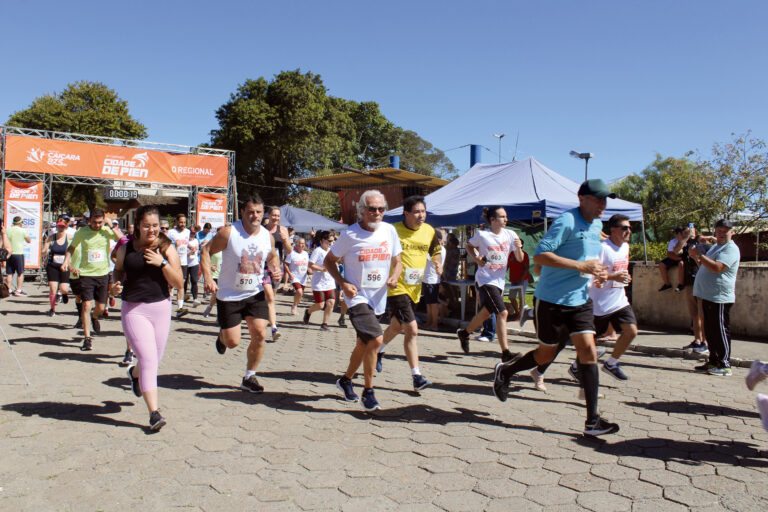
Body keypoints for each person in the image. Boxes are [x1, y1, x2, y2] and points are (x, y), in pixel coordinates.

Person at [493, 179, 620, 437]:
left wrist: (597, 271)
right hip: (551, 301)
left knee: (589, 352)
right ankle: (506, 371)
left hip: (580, 301)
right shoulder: (567, 221)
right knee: (546, 353)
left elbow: (588, 257)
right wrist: (580, 267)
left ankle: (592, 421)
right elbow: (540, 255)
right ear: (582, 198)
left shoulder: (597, 225)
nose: (602, 205)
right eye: (598, 199)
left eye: (605, 200)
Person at [324, 190, 402, 411]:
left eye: (380, 209)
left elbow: (398, 261)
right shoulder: (350, 234)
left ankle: (346, 380)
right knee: (376, 340)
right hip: (356, 297)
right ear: (361, 211)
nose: (376, 213)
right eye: (371, 209)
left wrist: (395, 276)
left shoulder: (390, 231)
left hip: (378, 297)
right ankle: (369, 392)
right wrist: (342, 282)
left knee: (364, 343)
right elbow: (329, 261)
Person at [201, 195, 283, 393]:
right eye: (251, 212)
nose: (255, 216)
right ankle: (222, 337)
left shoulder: (267, 236)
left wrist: (276, 268)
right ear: (243, 213)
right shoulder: (229, 233)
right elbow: (206, 251)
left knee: (260, 334)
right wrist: (209, 279)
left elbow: (272, 257)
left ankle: (249, 377)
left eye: (259, 212)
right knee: (233, 342)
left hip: (254, 293)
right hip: (229, 295)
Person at [113, 205, 184, 431]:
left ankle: (134, 375)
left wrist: (161, 263)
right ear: (137, 226)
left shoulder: (165, 248)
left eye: (155, 226)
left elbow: (179, 283)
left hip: (161, 308)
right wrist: (114, 284)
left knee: (152, 360)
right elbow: (117, 271)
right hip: (134, 310)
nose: (151, 230)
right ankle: (154, 413)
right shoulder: (127, 248)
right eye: (146, 226)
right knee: (149, 361)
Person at [376, 196, 441, 390]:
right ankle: (417, 376)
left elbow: (435, 250)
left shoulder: (429, 231)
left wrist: (438, 262)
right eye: (417, 212)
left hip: (415, 288)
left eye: (423, 211)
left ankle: (378, 351)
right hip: (396, 286)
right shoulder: (392, 230)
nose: (421, 216)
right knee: (412, 329)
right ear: (406, 213)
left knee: (396, 326)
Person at [456, 207, 523, 361]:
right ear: (492, 219)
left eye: (506, 216)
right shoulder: (482, 235)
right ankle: (506, 353)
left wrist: (519, 247)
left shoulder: (511, 234)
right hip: (485, 279)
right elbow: (469, 246)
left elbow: (519, 258)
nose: (506, 219)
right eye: (502, 217)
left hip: (499, 280)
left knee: (486, 312)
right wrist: (477, 258)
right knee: (503, 312)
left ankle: (464, 333)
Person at [62, 209, 122, 350]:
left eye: (100, 222)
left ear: (103, 220)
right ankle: (87, 338)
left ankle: (95, 317)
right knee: (86, 305)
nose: (97, 225)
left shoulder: (106, 230)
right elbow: (71, 247)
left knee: (100, 308)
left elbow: (122, 239)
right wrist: (66, 260)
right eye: (94, 222)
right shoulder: (82, 232)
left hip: (103, 274)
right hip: (86, 274)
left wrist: (111, 225)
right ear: (89, 221)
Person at [586, 214, 638, 381]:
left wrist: (625, 278)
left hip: (619, 300)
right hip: (599, 304)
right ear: (613, 230)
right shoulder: (602, 248)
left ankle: (612, 363)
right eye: (624, 228)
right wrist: (613, 277)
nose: (628, 231)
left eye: (629, 228)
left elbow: (621, 270)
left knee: (631, 331)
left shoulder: (625, 247)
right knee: (588, 342)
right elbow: (594, 273)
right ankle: (576, 367)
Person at [690, 219, 741, 376]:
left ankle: (724, 364)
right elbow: (704, 266)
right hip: (707, 295)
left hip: (720, 297)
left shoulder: (731, 249)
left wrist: (700, 255)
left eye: (725, 230)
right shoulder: (716, 248)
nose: (721, 233)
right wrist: (696, 258)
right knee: (710, 331)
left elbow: (717, 267)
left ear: (732, 232)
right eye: (719, 230)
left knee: (720, 330)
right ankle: (713, 361)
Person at [681, 228, 715, 354]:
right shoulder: (686, 247)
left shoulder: (706, 248)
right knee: (694, 315)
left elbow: (706, 267)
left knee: (702, 315)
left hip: (701, 284)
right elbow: (675, 251)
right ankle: (697, 339)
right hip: (689, 284)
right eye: (685, 233)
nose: (690, 235)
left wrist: (696, 257)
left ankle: (705, 343)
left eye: (691, 232)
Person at [263, 206, 292, 340]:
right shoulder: (261, 230)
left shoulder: (283, 230)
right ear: (268, 215)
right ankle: (274, 327)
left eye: (277, 215)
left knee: (271, 298)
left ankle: (266, 317)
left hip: (276, 268)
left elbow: (289, 251)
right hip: (261, 267)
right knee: (269, 296)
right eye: (273, 215)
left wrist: (285, 239)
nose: (275, 218)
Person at [304, 231, 336, 329]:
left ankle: (324, 324)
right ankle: (308, 311)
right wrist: (322, 269)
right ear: (322, 240)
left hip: (330, 281)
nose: (331, 243)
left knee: (331, 302)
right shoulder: (317, 251)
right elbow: (311, 264)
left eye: (333, 240)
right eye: (329, 240)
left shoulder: (332, 251)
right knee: (320, 305)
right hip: (319, 282)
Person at [42, 219, 72, 316]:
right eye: (59, 226)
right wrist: (44, 251)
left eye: (63, 227)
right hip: (53, 265)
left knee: (64, 288)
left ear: (66, 227)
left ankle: (64, 294)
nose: (61, 228)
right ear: (57, 227)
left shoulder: (69, 238)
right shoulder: (51, 237)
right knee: (53, 287)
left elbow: (74, 251)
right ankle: (52, 309)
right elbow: (44, 249)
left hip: (65, 266)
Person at [167, 214, 191, 317]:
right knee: (170, 285)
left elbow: (186, 245)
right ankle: (166, 306)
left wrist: (191, 249)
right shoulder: (171, 233)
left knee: (181, 284)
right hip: (173, 261)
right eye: (181, 222)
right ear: (176, 222)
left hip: (184, 262)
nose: (183, 224)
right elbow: (164, 245)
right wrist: (173, 244)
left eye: (184, 222)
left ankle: (180, 308)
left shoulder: (187, 232)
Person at [423, 229, 446, 331]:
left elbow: (425, 258)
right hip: (428, 278)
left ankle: (434, 324)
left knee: (433, 303)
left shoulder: (438, 249)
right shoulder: (439, 248)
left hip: (432, 279)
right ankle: (429, 322)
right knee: (428, 303)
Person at [5, 216, 31, 296]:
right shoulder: (23, 230)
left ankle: (8, 290)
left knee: (9, 273)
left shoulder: (7, 230)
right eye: (22, 222)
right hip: (19, 253)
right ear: (20, 223)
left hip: (9, 253)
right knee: (20, 273)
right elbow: (28, 240)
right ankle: (18, 290)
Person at [284, 238, 310, 315]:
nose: (302, 245)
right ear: (297, 244)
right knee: (299, 291)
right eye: (301, 243)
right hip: (295, 276)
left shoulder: (305, 253)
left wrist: (309, 269)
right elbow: (285, 264)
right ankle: (294, 307)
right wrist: (290, 274)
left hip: (303, 277)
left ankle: (295, 305)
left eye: (303, 243)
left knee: (300, 294)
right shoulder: (291, 253)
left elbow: (308, 264)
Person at [658, 226, 686, 292]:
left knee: (681, 264)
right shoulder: (673, 241)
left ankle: (681, 285)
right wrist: (678, 258)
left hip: (684, 258)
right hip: (675, 257)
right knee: (661, 264)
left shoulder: (687, 241)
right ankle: (667, 284)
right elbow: (669, 254)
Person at [186, 235, 201, 307]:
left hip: (194, 263)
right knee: (185, 280)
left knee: (194, 280)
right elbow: (182, 254)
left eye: (193, 233)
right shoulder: (185, 241)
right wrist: (190, 251)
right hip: (185, 263)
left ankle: (195, 298)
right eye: (191, 233)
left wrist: (195, 250)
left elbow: (197, 251)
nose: (192, 235)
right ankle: (184, 295)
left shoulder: (196, 241)